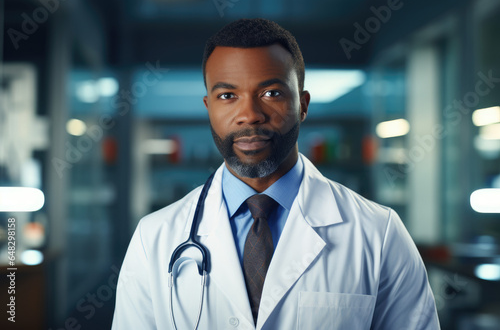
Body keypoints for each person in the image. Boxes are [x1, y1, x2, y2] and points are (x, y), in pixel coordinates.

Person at [112, 18, 440, 330]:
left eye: (271, 93)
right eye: (227, 96)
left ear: (303, 104)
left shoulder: (378, 233)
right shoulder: (153, 238)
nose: (250, 115)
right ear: (208, 108)